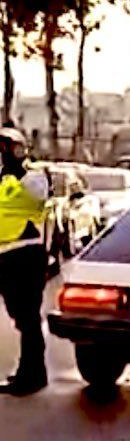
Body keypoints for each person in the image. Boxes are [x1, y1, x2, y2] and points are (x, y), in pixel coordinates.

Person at [0, 128, 50, 395]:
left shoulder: (32, 177)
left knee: (28, 318)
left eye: (5, 150)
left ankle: (32, 375)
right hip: (4, 255)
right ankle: (26, 372)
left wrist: (14, 170)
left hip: (26, 254)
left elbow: (38, 197)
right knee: (19, 317)